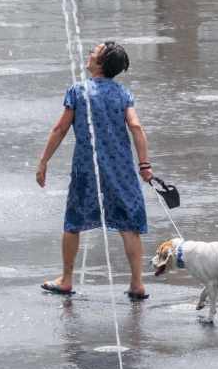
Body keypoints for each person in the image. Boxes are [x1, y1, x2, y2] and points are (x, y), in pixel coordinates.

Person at [36, 41, 151, 300]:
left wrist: (44, 161)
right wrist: (144, 164)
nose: (89, 55)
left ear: (99, 64)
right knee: (129, 224)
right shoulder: (123, 94)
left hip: (88, 168)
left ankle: (66, 279)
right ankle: (137, 283)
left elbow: (60, 129)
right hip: (121, 167)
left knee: (73, 222)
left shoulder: (78, 91)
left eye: (94, 53)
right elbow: (136, 127)